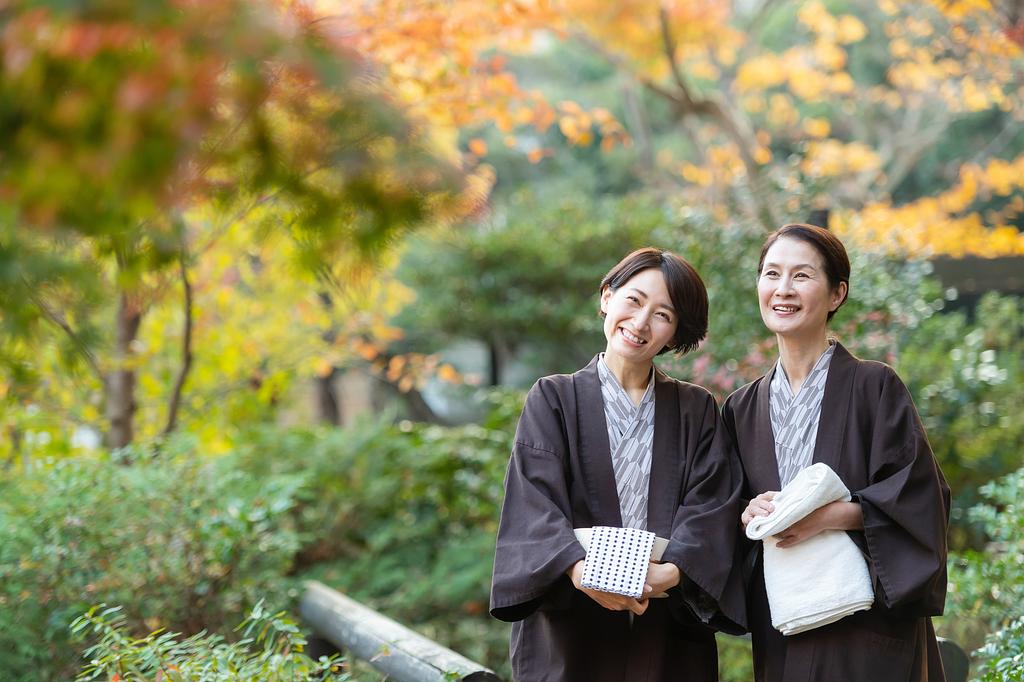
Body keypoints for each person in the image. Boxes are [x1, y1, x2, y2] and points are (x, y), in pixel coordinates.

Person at [489, 247, 746, 682]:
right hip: (571, 617)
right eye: (634, 299)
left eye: (663, 314)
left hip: (666, 616)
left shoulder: (695, 408)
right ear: (607, 297)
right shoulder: (554, 398)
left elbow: (712, 505)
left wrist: (670, 574)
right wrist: (578, 568)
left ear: (676, 331)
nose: (642, 323)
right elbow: (534, 501)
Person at [722, 224, 950, 681]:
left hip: (865, 623)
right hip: (784, 619)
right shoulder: (741, 408)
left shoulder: (874, 386)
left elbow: (923, 498)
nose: (783, 289)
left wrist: (829, 517)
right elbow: (725, 511)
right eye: (772, 274)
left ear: (836, 293)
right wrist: (751, 513)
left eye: (801, 276)